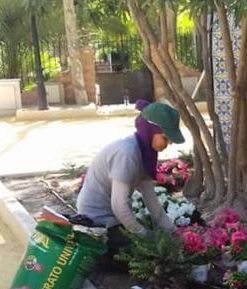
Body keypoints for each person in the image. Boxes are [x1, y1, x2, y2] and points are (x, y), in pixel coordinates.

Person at [76, 99, 185, 254]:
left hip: (114, 219)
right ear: (150, 130)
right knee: (147, 253)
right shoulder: (127, 153)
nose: (167, 145)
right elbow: (119, 206)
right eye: (165, 138)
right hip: (97, 221)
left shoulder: (146, 154)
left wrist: (174, 232)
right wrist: (145, 236)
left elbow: (151, 201)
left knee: (159, 243)